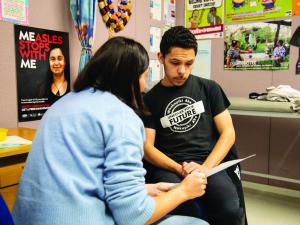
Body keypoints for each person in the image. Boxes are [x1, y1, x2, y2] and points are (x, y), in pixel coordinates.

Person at [12, 36, 209, 225]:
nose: (144, 84)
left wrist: (142, 189)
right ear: (129, 79)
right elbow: (133, 217)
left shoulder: (61, 105)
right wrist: (184, 191)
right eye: (144, 75)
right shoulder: (122, 117)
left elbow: (80, 176)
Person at [142, 26, 247, 225]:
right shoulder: (150, 99)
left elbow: (228, 133)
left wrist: (204, 168)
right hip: (171, 167)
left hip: (208, 164)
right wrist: (179, 169)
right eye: (175, 63)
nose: (182, 71)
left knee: (230, 210)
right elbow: (147, 148)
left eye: (189, 63)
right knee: (183, 212)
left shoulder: (209, 88)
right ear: (161, 57)